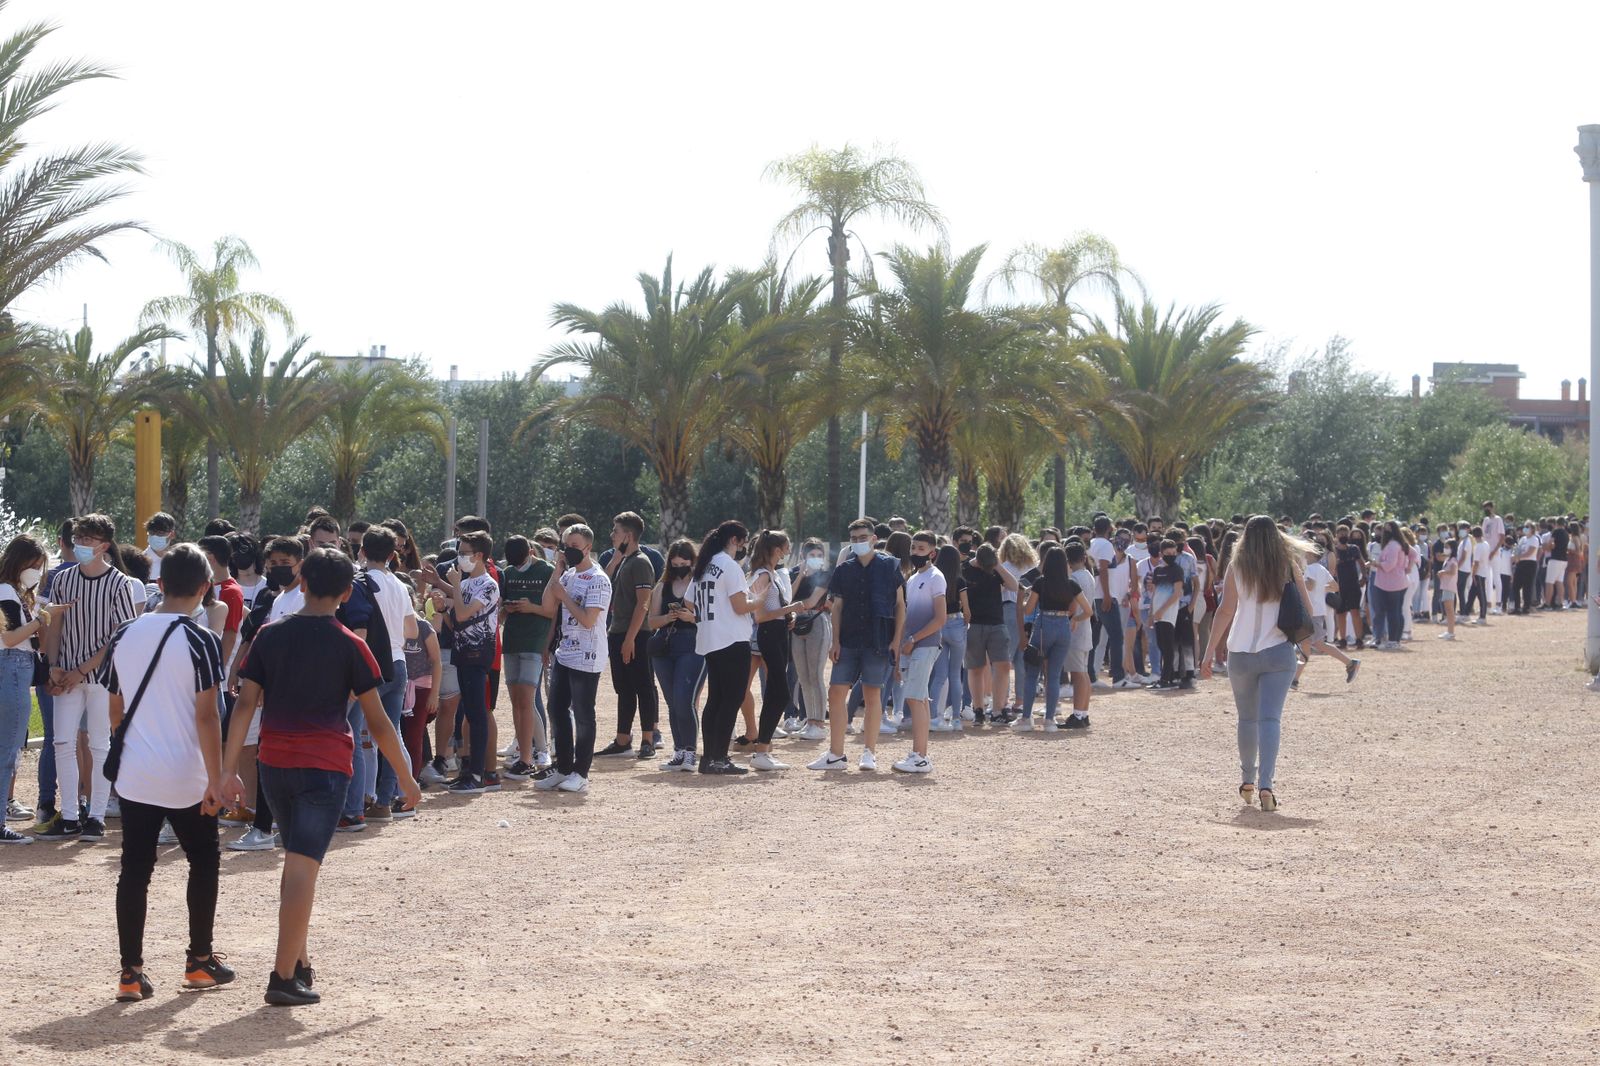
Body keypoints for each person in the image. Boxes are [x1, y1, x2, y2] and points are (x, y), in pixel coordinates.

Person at [224, 546, 419, 1006]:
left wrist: (228, 767)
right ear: (347, 593)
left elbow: (245, 705)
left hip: (274, 764)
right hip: (325, 767)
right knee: (301, 867)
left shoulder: (269, 636)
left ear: (302, 583)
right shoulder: (352, 645)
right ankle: (281, 975)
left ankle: (299, 962)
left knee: (296, 862)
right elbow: (378, 722)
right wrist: (406, 779)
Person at [103, 543, 234, 1001]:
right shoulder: (201, 639)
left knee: (134, 869)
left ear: (158, 584)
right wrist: (217, 778)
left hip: (137, 773)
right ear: (204, 587)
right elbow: (207, 715)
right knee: (203, 860)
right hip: (187, 774)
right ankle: (199, 960)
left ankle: (130, 973)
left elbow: (115, 708)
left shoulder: (124, 634)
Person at [38, 513, 144, 842]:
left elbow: (120, 634)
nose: (82, 545)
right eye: (79, 538)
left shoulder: (119, 583)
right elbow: (56, 624)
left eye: (89, 540)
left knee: (99, 744)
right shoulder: (63, 579)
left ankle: (96, 815)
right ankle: (69, 814)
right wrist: (54, 666)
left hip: (101, 676)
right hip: (66, 671)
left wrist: (81, 669)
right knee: (62, 742)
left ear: (105, 546)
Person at [1201, 515, 1312, 813]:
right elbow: (1307, 610)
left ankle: (1247, 780)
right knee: (1270, 720)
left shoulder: (1237, 566)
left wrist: (1210, 650)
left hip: (1240, 652)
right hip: (1278, 649)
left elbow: (1225, 611)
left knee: (1246, 719)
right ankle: (1267, 786)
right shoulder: (1288, 566)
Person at [808, 519, 905, 772]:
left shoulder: (890, 566)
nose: (859, 542)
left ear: (874, 538)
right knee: (836, 693)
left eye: (863, 537)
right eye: (854, 539)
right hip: (849, 640)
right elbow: (837, 606)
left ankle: (869, 753)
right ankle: (836, 754)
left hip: (878, 640)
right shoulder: (844, 570)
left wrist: (896, 640)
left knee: (873, 695)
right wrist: (835, 641)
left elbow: (900, 605)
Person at [534, 523, 610, 793]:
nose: (569, 551)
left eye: (575, 546)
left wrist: (563, 595)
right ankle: (564, 767)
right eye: (566, 545)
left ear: (588, 547)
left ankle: (581, 772)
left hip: (588, 655)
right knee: (556, 709)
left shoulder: (598, 579)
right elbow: (546, 605)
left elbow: (589, 620)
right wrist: (557, 571)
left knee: (584, 714)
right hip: (565, 653)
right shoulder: (567, 575)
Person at [690, 521, 759, 776]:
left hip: (710, 639)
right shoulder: (729, 566)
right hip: (732, 639)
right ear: (734, 540)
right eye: (742, 542)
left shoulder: (705, 565)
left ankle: (709, 757)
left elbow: (688, 601)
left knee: (716, 700)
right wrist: (758, 600)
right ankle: (719, 758)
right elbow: (741, 606)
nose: (743, 548)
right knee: (731, 700)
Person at [0, 534, 53, 844]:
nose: (35, 570)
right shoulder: (7, 591)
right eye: (32, 564)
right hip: (12, 667)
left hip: (18, 667)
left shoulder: (17, 593)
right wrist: (43, 618)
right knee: (8, 750)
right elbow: (9, 638)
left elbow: (35, 643)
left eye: (38, 565)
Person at [439, 530, 500, 795]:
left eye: (463, 553)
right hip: (462, 652)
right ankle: (470, 770)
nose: (459, 558)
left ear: (479, 556)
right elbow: (455, 623)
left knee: (477, 713)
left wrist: (452, 587)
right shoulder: (464, 584)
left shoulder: (488, 584)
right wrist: (443, 609)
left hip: (478, 654)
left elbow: (464, 615)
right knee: (468, 712)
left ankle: (478, 774)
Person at [597, 512, 659, 760]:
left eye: (616, 531)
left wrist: (630, 639)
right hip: (618, 632)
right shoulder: (624, 560)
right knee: (623, 688)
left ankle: (648, 740)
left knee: (643, 686)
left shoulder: (641, 562)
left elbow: (643, 604)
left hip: (636, 634)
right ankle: (623, 739)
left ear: (628, 535)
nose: (612, 535)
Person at [497, 534, 554, 778]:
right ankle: (524, 753)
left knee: (527, 700)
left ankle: (532, 756)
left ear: (531, 551)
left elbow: (553, 610)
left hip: (534, 642)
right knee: (516, 701)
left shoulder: (547, 570)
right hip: (512, 642)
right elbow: (499, 609)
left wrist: (531, 608)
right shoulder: (507, 572)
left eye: (521, 561)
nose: (517, 567)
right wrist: (507, 609)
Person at [746, 529, 804, 771]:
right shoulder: (764, 575)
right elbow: (759, 615)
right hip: (769, 634)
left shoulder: (771, 574)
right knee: (779, 692)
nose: (786, 552)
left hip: (777, 633)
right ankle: (762, 747)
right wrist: (790, 609)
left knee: (777, 692)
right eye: (783, 548)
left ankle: (764, 747)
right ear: (774, 549)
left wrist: (786, 616)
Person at [890, 530, 945, 771]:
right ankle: (919, 754)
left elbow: (940, 618)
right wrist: (901, 644)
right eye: (913, 548)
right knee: (918, 698)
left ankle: (920, 756)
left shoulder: (936, 577)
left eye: (921, 549)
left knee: (914, 698)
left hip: (925, 644)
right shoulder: (911, 579)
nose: (915, 552)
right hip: (911, 646)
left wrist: (913, 639)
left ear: (932, 552)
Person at [1019, 542, 1090, 729]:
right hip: (1063, 627)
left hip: (1044, 626)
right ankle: (1050, 720)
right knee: (1054, 675)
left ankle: (1026, 718)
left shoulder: (1041, 582)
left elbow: (1029, 609)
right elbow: (1088, 610)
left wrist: (1023, 598)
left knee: (1033, 672)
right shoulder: (1072, 583)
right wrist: (1073, 619)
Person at [648, 539, 704, 771]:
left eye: (685, 562)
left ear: (693, 562)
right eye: (676, 562)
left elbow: (710, 617)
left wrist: (690, 616)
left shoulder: (700, 584)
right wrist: (669, 618)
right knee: (672, 702)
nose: (680, 566)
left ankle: (690, 752)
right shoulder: (662, 586)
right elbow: (651, 621)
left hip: (692, 646)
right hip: (665, 648)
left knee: (685, 701)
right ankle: (679, 751)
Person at [958, 542, 1018, 726]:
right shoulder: (965, 570)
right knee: (975, 667)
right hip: (973, 624)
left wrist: (998, 566)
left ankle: (998, 710)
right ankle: (978, 709)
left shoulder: (995, 568)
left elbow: (1014, 586)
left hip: (996, 623)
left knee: (1002, 666)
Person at [787, 539, 833, 741]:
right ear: (803, 557)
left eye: (818, 555)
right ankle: (809, 720)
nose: (815, 559)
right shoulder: (794, 574)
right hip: (797, 626)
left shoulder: (825, 575)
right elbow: (787, 597)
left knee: (815, 675)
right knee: (803, 677)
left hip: (817, 622)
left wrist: (788, 609)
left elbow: (811, 602)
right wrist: (800, 577)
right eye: (811, 555)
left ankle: (819, 723)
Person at [927, 543, 968, 731]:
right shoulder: (960, 581)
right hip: (957, 623)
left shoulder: (935, 579)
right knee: (955, 674)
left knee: (939, 675)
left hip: (939, 625)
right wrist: (965, 623)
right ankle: (956, 719)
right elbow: (967, 609)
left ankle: (934, 716)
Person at [143, 511, 178, 580]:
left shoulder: (177, 562)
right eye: (152, 532)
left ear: (172, 535)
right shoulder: (140, 562)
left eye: (160, 533)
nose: (155, 536)